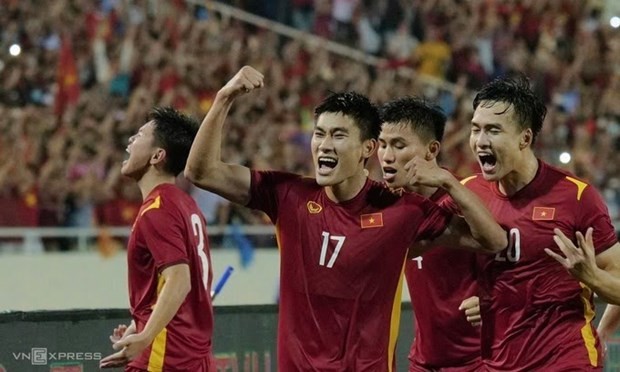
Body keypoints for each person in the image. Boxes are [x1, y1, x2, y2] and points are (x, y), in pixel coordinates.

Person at [184, 66, 507, 370]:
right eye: (319, 134)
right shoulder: (288, 195)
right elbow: (201, 172)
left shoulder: (403, 210)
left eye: (338, 136)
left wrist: (449, 181)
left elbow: (493, 240)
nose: (324, 145)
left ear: (366, 148)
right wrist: (224, 98)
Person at [457, 74, 620, 370]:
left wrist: (591, 278)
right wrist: (492, 300)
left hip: (566, 361)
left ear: (525, 138)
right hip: (498, 362)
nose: (481, 141)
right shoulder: (468, 194)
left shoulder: (577, 197)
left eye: (493, 130)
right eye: (475, 129)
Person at [100, 107, 215, 371]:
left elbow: (179, 280)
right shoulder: (187, 206)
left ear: (157, 156)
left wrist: (145, 336)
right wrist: (137, 325)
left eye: (140, 135)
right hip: (195, 356)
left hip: (165, 356)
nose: (130, 141)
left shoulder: (158, 210)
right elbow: (172, 284)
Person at [378, 96, 481, 371]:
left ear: (431, 149)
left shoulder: (465, 202)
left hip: (478, 361)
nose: (387, 156)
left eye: (399, 145)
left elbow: (509, 259)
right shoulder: (388, 206)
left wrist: (492, 297)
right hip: (423, 362)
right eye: (382, 144)